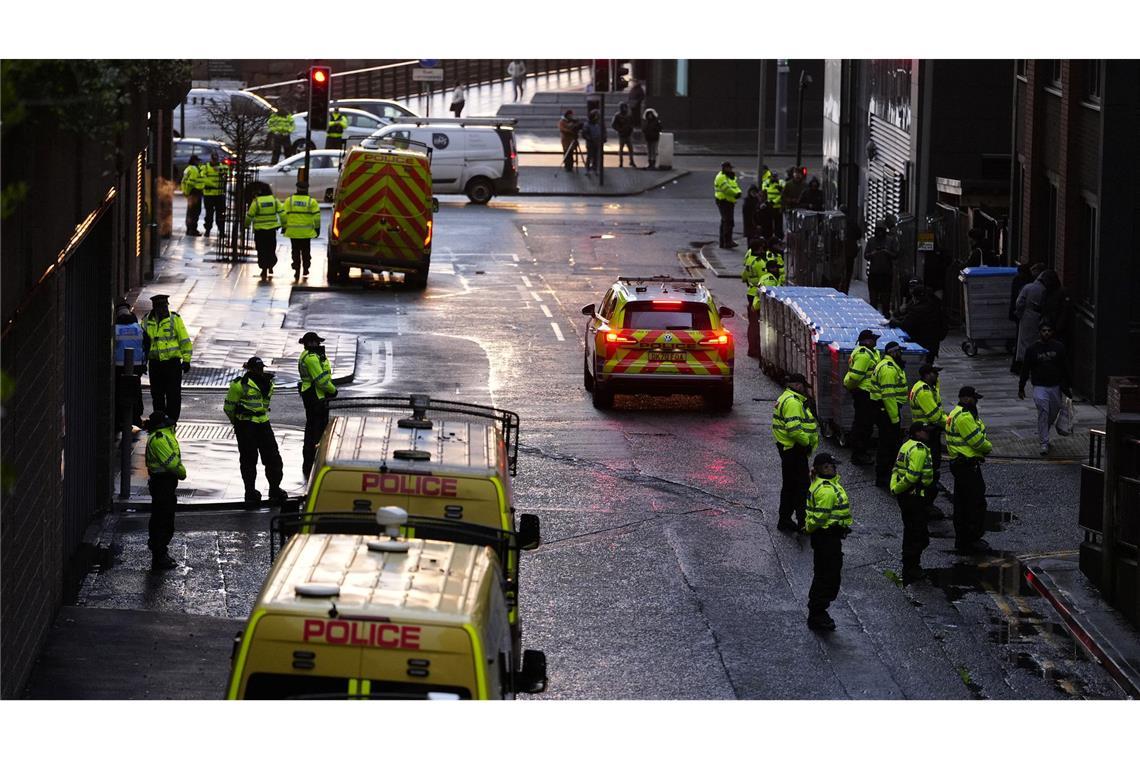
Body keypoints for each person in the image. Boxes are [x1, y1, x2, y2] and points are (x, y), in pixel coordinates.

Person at [224, 356, 286, 509]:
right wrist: (237, 422)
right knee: (249, 460)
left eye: (261, 368)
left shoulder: (268, 384)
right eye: (257, 368)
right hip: (246, 425)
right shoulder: (239, 385)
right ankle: (250, 492)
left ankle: (274, 489)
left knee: (273, 458)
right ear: (250, 369)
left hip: (263, 423)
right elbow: (228, 408)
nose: (260, 371)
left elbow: (264, 405)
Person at [804, 452, 851, 631]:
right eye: (832, 465)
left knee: (826, 573)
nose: (835, 468)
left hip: (828, 537)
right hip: (826, 538)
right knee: (827, 575)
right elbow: (820, 518)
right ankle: (817, 613)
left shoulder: (827, 484)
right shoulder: (826, 490)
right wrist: (812, 527)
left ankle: (818, 611)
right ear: (825, 468)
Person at [946, 386, 993, 553]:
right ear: (965, 398)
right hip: (967, 464)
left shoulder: (955, 413)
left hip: (959, 463)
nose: (976, 402)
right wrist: (989, 447)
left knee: (962, 503)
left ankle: (963, 539)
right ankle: (971, 539)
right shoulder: (965, 417)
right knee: (974, 502)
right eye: (974, 399)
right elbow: (977, 441)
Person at [772, 373, 819, 533]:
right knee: (801, 488)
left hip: (790, 449)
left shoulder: (788, 398)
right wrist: (806, 444)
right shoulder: (793, 402)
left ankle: (785, 520)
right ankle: (801, 521)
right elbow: (794, 430)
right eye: (804, 386)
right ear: (798, 385)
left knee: (790, 486)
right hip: (795, 450)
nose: (805, 389)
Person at [890, 422, 935, 585]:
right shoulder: (919, 450)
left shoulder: (906, 445)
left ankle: (910, 564)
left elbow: (896, 470)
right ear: (917, 433)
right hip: (914, 497)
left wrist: (895, 488)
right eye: (925, 431)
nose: (928, 434)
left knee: (911, 531)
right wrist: (900, 489)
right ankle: (912, 567)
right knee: (918, 534)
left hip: (907, 497)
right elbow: (912, 476)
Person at [1019, 322, 1071, 456]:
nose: (1046, 333)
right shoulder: (1032, 349)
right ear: (1039, 332)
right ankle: (1044, 442)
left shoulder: (1059, 347)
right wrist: (1021, 386)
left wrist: (1068, 386)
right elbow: (1025, 368)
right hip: (1039, 386)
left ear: (1052, 332)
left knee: (1052, 412)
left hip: (1055, 386)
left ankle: (1044, 433)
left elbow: (1065, 367)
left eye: (1048, 330)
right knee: (1043, 411)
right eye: (1043, 330)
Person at [144, 410, 186, 572]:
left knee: (163, 518)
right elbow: (171, 462)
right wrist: (182, 472)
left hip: (164, 483)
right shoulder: (160, 439)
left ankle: (161, 552)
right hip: (163, 482)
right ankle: (159, 555)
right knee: (163, 520)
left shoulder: (162, 436)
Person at [142, 294, 192, 424]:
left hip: (172, 364)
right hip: (155, 364)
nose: (164, 309)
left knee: (173, 395)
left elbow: (184, 340)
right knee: (157, 395)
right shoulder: (146, 321)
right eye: (161, 306)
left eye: (165, 306)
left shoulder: (174, 319)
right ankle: (160, 420)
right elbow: (143, 344)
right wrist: (142, 362)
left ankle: (172, 421)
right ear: (155, 307)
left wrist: (186, 360)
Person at [298, 332, 338, 480]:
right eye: (317, 342)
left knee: (312, 430)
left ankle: (309, 463)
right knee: (316, 432)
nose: (319, 345)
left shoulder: (310, 356)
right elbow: (321, 380)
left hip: (313, 395)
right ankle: (312, 464)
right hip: (317, 397)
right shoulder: (312, 359)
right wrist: (332, 390)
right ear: (311, 343)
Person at [908, 363, 946, 517]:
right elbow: (935, 415)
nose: (937, 376)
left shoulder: (926, 388)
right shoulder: (923, 391)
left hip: (927, 432)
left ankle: (925, 503)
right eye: (934, 373)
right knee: (930, 469)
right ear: (926, 375)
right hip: (927, 434)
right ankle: (926, 505)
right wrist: (951, 424)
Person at [871, 341, 908, 488]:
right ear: (892, 352)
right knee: (887, 445)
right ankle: (883, 477)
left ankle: (887, 474)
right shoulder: (888, 369)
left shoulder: (890, 366)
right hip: (886, 411)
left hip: (886, 410)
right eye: (899, 351)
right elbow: (888, 396)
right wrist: (894, 418)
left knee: (889, 444)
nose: (901, 354)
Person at [842, 329, 880, 465]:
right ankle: (858, 454)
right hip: (864, 394)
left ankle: (861, 452)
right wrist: (852, 387)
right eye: (874, 339)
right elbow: (855, 376)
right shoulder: (864, 355)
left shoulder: (869, 352)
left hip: (866, 393)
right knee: (863, 425)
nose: (876, 341)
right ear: (867, 341)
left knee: (864, 424)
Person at [113, 300, 146, 432]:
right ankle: (135, 418)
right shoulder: (138, 328)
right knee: (135, 391)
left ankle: (120, 419)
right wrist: (144, 361)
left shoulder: (115, 329)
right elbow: (146, 344)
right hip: (136, 365)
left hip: (119, 365)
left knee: (119, 392)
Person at [890, 286, 947, 361]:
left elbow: (905, 324)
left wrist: (892, 322)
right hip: (933, 344)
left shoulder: (916, 309)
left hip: (921, 344)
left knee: (922, 366)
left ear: (914, 297)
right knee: (929, 364)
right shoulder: (934, 305)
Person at [1013, 266, 1050, 374]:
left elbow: (1019, 303)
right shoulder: (1045, 290)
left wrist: (1019, 314)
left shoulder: (1027, 287)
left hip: (1027, 316)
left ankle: (1024, 364)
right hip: (1039, 317)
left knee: (1024, 341)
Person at [245, 184, 284, 281]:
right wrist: (284, 225)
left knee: (261, 250)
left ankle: (263, 269)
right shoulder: (274, 200)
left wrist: (245, 225)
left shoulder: (256, 202)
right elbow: (282, 213)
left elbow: (250, 215)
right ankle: (271, 265)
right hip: (271, 231)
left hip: (260, 231)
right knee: (271, 248)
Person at [282, 183, 321, 279]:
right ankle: (306, 268)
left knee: (295, 251)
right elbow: (317, 217)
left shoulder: (289, 201)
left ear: (297, 188)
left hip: (293, 232)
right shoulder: (311, 202)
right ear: (307, 189)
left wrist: (284, 227)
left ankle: (296, 268)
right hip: (306, 233)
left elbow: (283, 215)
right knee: (306, 251)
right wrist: (317, 228)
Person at [864, 223, 895, 317]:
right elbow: (866, 255)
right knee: (873, 301)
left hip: (886, 275)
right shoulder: (871, 241)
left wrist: (887, 252)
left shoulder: (890, 241)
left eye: (882, 231)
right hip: (874, 274)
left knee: (885, 302)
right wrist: (873, 253)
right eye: (878, 231)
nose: (880, 233)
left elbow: (896, 255)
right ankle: (874, 318)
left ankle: (885, 318)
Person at [714, 161, 742, 249]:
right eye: (729, 168)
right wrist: (736, 194)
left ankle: (725, 241)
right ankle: (727, 242)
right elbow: (726, 189)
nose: (731, 169)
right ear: (725, 168)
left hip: (729, 202)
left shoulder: (729, 176)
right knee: (728, 221)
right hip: (723, 201)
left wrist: (738, 192)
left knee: (726, 221)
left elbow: (734, 186)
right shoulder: (721, 177)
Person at [200, 153, 228, 238]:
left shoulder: (222, 167)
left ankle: (222, 232)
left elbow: (227, 171)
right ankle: (207, 231)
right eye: (213, 159)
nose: (215, 161)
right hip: (209, 195)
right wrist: (212, 184)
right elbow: (202, 177)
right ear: (211, 159)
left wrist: (219, 170)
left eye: (216, 159)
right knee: (209, 214)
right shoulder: (205, 167)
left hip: (219, 194)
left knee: (221, 215)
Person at [180, 155, 203, 236]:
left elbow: (184, 182)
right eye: (197, 161)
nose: (199, 162)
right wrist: (189, 192)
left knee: (191, 212)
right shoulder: (194, 169)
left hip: (191, 193)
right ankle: (192, 230)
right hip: (195, 192)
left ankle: (190, 229)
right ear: (194, 161)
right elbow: (191, 183)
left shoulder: (188, 168)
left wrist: (186, 193)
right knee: (194, 212)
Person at [759, 165, 784, 240]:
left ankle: (778, 238)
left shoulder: (781, 182)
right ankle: (768, 238)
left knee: (778, 225)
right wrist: (767, 202)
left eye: (775, 177)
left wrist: (774, 201)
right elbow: (764, 192)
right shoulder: (766, 182)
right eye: (773, 177)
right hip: (769, 207)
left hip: (778, 208)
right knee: (768, 224)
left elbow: (783, 194)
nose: (774, 178)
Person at [611, 103, 636, 168]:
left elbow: (632, 123)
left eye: (625, 107)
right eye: (623, 107)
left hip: (628, 134)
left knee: (630, 149)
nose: (624, 109)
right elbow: (613, 125)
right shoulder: (618, 115)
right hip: (622, 135)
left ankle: (631, 161)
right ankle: (621, 162)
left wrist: (631, 129)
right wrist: (619, 129)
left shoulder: (629, 115)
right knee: (621, 149)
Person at [582, 110, 604, 175]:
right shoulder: (587, 124)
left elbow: (600, 131)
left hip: (597, 142)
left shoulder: (597, 124)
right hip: (590, 143)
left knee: (595, 157)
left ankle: (595, 169)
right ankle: (588, 169)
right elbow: (585, 134)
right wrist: (590, 139)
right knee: (589, 156)